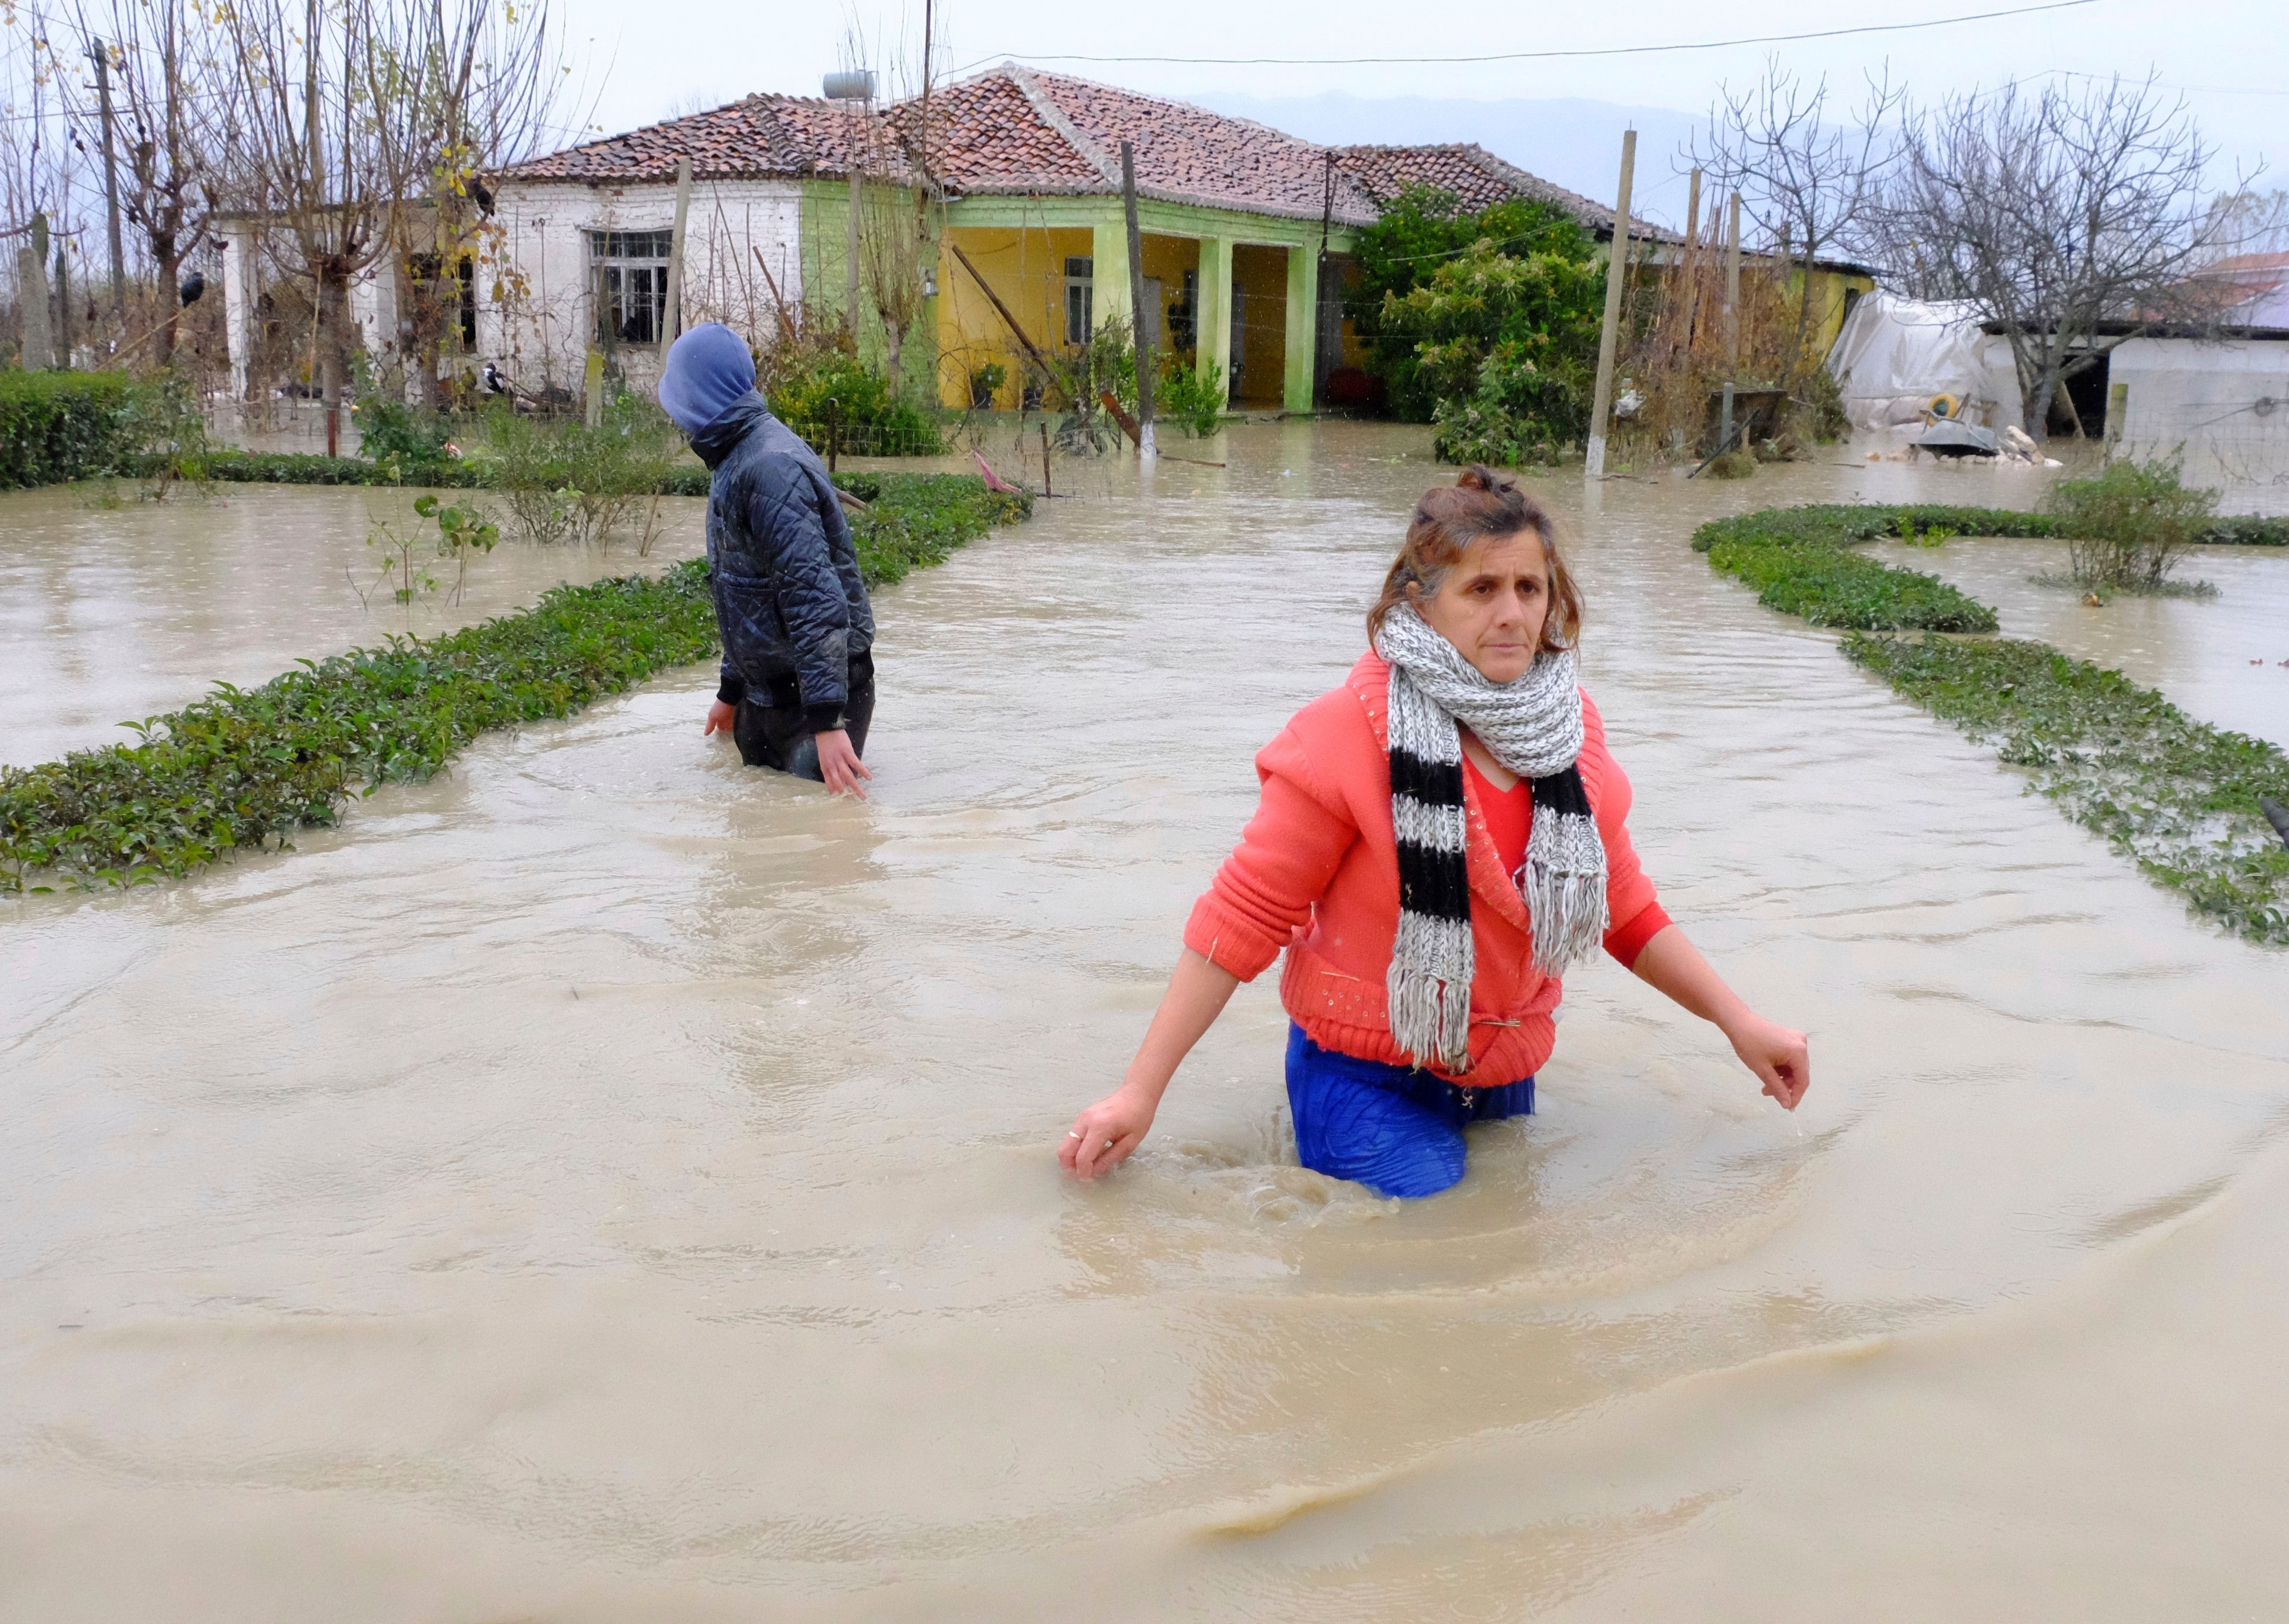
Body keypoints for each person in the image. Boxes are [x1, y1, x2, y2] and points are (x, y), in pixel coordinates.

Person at [1060, 468, 1810, 1199]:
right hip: (1360, 1074)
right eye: (1480, 590)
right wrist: (1138, 1093)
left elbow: (1622, 905)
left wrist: (1737, 1022)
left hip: (1500, 1068)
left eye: (1528, 588)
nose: (1511, 614)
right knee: (1440, 1219)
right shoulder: (1344, 735)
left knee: (1509, 1217)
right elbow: (1241, 917)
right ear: (1419, 606)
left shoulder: (1570, 734)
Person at [660, 322, 875, 797]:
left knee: (817, 832)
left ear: (700, 398)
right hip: (770, 689)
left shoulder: (769, 467)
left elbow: (812, 595)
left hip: (818, 693)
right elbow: (746, 596)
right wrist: (729, 692)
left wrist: (827, 721)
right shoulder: (734, 458)